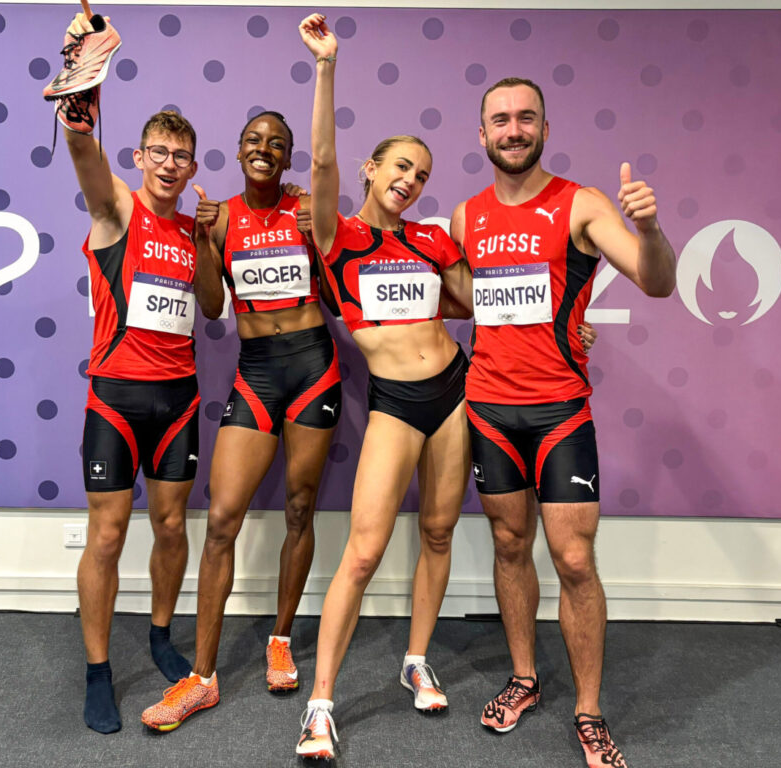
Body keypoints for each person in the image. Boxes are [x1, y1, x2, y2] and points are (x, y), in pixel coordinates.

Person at [447, 77, 676, 768]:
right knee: (510, 545)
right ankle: (523, 677)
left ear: (545, 129)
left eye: (526, 118)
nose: (513, 130)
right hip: (488, 408)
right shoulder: (465, 216)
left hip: (559, 412)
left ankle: (590, 711)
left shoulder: (581, 203)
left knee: (574, 559)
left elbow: (656, 280)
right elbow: (471, 299)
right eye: (500, 120)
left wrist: (651, 229)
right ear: (481, 134)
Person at [291, 14, 474, 761]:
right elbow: (324, 158)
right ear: (370, 169)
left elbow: (478, 305)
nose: (410, 181)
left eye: (423, 174)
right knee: (363, 554)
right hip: (396, 403)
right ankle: (321, 705)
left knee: (437, 532)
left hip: (454, 393)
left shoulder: (433, 237)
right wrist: (328, 68)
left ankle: (415, 659)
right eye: (400, 166)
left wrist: (564, 328)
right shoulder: (337, 234)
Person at [139, 111, 342, 731]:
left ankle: (280, 637)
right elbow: (209, 305)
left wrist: (319, 235)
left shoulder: (307, 208)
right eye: (254, 140)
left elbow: (338, 292)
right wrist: (203, 242)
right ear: (238, 151)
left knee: (301, 508)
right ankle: (202, 678)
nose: (264, 149)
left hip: (314, 366)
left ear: (287, 158)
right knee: (222, 518)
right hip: (256, 373)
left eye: (276, 144)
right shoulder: (220, 217)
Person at [45, 13, 212, 734]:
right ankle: (98, 672)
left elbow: (210, 306)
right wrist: (83, 77)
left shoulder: (190, 227)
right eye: (160, 152)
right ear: (141, 158)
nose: (170, 164)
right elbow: (82, 149)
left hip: (177, 400)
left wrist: (206, 241)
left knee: (172, 527)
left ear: (193, 166)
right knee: (108, 536)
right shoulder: (116, 210)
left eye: (183, 155)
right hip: (115, 399)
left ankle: (159, 634)